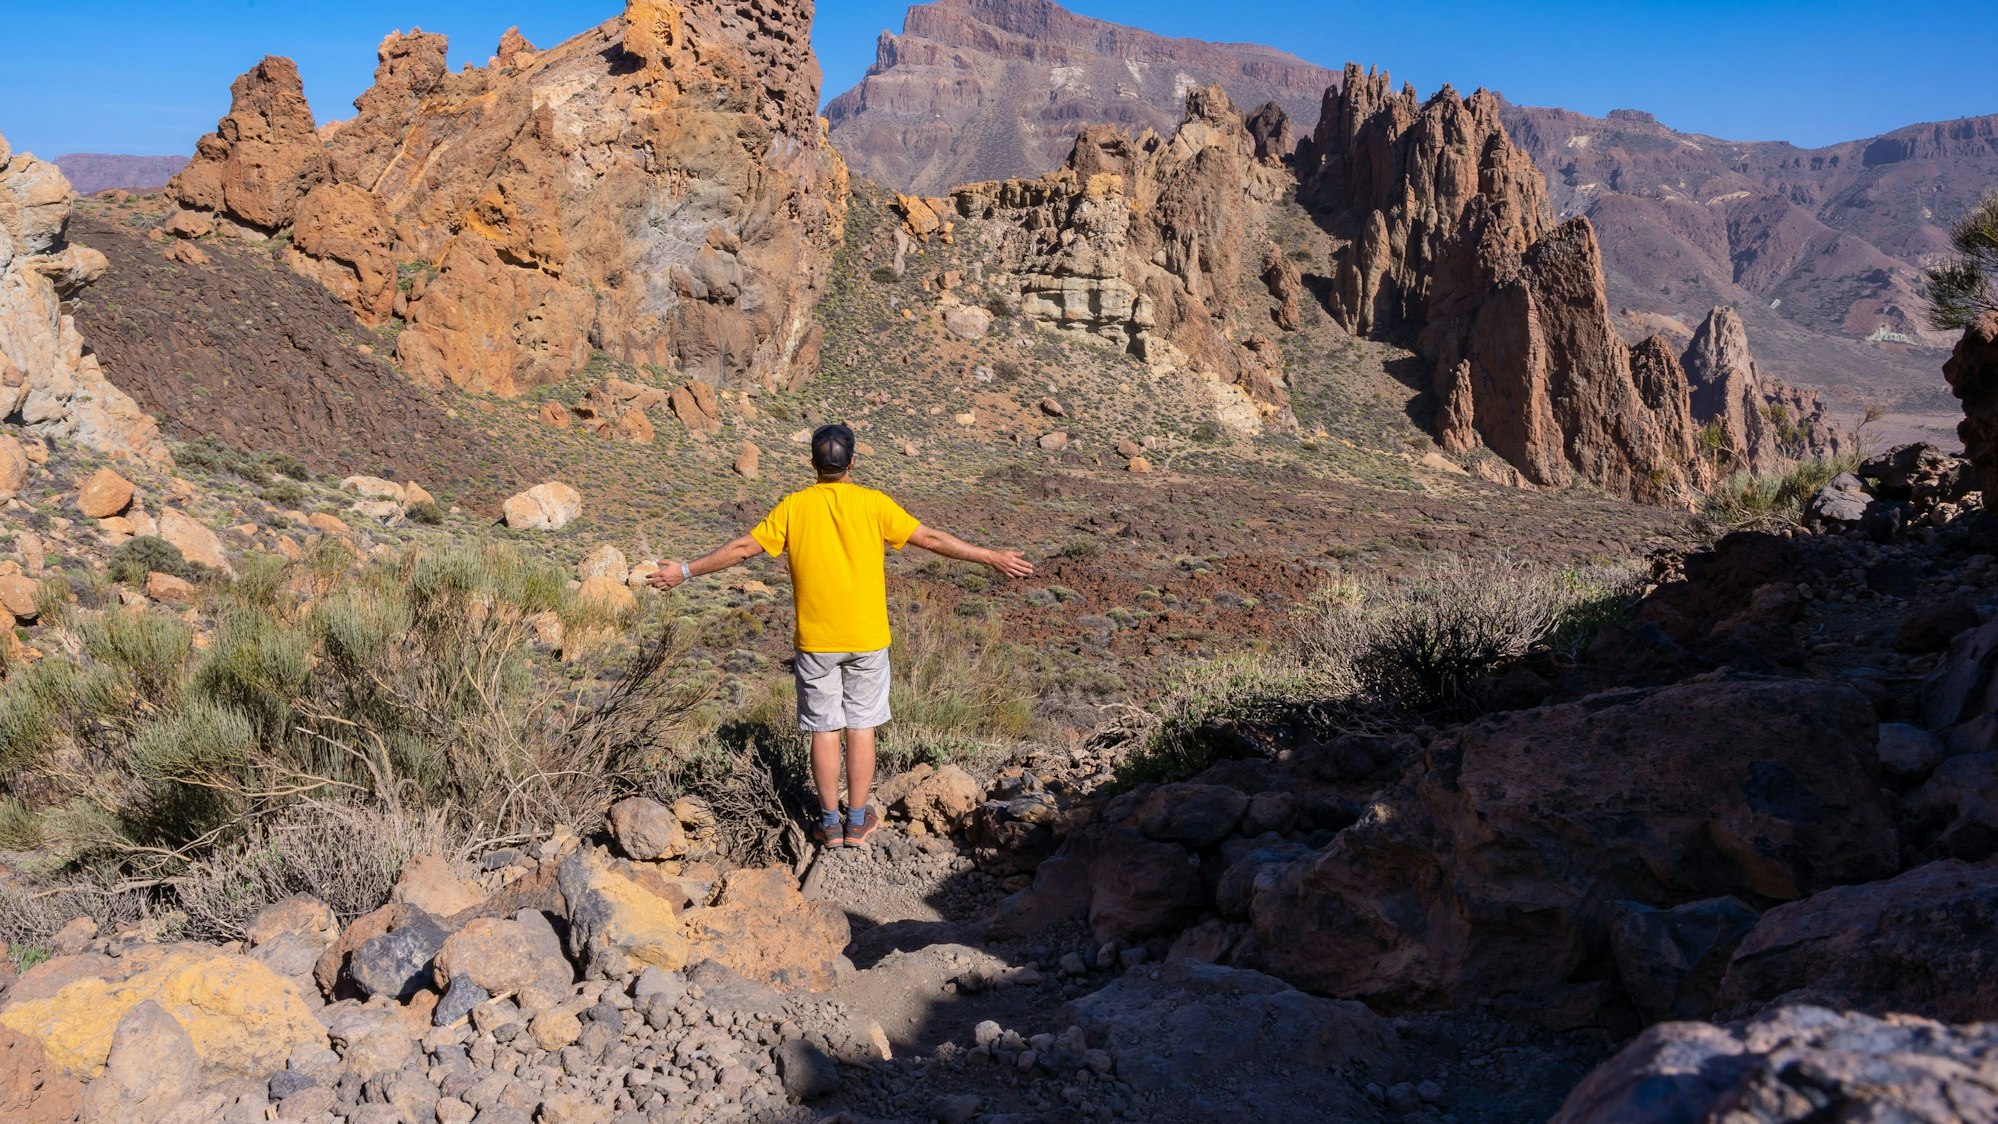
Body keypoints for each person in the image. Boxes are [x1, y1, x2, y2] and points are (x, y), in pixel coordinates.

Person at [648, 423, 1034, 848]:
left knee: (824, 730)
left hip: (817, 641)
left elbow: (742, 549)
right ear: (851, 463)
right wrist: (989, 556)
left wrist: (683, 571)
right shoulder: (873, 504)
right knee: (861, 727)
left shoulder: (794, 507)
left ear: (813, 464)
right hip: (867, 638)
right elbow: (931, 538)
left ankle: (829, 824)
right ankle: (856, 821)